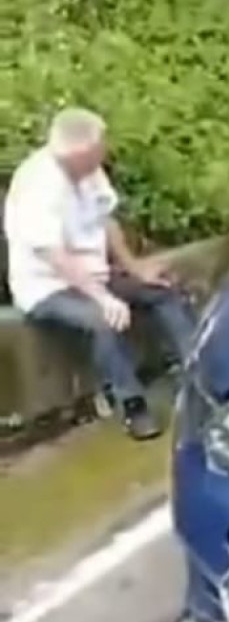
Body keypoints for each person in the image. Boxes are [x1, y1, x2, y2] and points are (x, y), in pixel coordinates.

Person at [3, 108, 195, 440]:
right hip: (48, 286)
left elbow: (105, 220)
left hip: (95, 272)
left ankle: (198, 375)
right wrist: (102, 297)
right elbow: (55, 255)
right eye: (97, 150)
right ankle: (133, 405)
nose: (104, 155)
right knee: (102, 321)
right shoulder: (39, 186)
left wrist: (135, 268)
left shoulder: (88, 172)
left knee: (164, 292)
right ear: (77, 153)